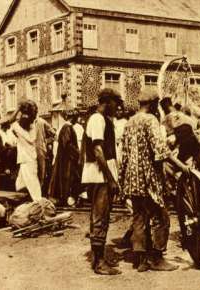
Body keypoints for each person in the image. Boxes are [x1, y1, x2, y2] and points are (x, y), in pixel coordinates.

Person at [119, 90, 178, 272]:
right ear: (153, 104)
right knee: (161, 217)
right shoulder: (150, 120)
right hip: (148, 177)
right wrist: (180, 166)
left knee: (139, 217)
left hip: (132, 178)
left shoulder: (129, 122)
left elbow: (125, 153)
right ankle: (157, 258)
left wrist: (123, 180)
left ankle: (141, 259)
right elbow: (160, 150)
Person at [81, 88, 122, 275]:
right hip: (99, 176)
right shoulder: (97, 119)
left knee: (102, 216)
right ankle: (98, 262)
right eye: (116, 103)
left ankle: (100, 257)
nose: (117, 107)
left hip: (102, 174)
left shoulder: (103, 120)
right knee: (100, 216)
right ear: (108, 101)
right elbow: (98, 150)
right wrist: (111, 178)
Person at [48, 109, 81, 206]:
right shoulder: (67, 128)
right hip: (67, 159)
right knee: (67, 178)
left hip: (66, 158)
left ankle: (65, 198)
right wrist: (77, 152)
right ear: (72, 118)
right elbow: (67, 144)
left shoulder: (66, 127)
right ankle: (66, 198)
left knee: (66, 178)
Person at [11, 101, 42, 201]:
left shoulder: (18, 128)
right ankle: (27, 204)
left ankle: (39, 205)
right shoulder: (33, 127)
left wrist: (18, 109)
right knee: (20, 185)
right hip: (29, 159)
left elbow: (9, 121)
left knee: (33, 186)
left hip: (26, 160)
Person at [34, 109, 56, 188]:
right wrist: (47, 141)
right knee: (41, 171)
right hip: (40, 149)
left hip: (32, 150)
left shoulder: (30, 123)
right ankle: (39, 189)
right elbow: (53, 133)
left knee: (35, 171)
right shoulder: (42, 122)